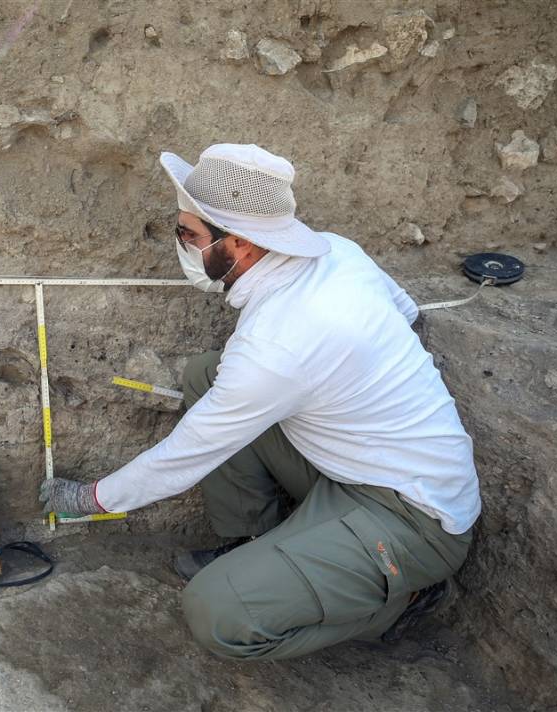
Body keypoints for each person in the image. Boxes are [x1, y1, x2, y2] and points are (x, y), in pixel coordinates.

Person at [39, 143, 480, 660]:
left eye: (189, 235)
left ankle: (400, 605)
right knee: (207, 375)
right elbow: (404, 314)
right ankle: (250, 540)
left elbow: (187, 454)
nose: (182, 245)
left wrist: (92, 499)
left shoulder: (276, 346)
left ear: (242, 245)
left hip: (415, 520)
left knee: (216, 613)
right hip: (353, 470)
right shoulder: (337, 251)